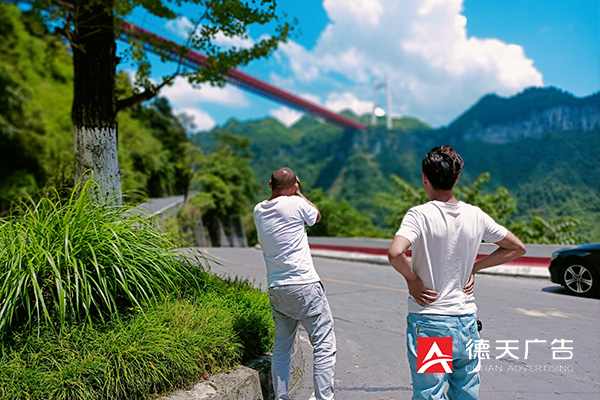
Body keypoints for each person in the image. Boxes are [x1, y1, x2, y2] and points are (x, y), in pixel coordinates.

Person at [387, 146, 526, 400]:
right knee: (465, 392)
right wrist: (474, 267)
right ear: (457, 178)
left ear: (424, 178)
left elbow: (396, 253)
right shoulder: (476, 215)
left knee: (430, 393)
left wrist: (413, 281)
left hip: (432, 322)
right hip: (466, 322)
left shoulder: (419, 215)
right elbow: (517, 247)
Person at [254, 167, 336, 400]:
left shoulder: (258, 210)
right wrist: (298, 193)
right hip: (304, 285)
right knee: (324, 344)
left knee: (281, 349)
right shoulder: (297, 203)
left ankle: (281, 397)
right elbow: (316, 216)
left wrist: (291, 190)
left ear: (270, 184)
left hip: (277, 288)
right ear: (294, 185)